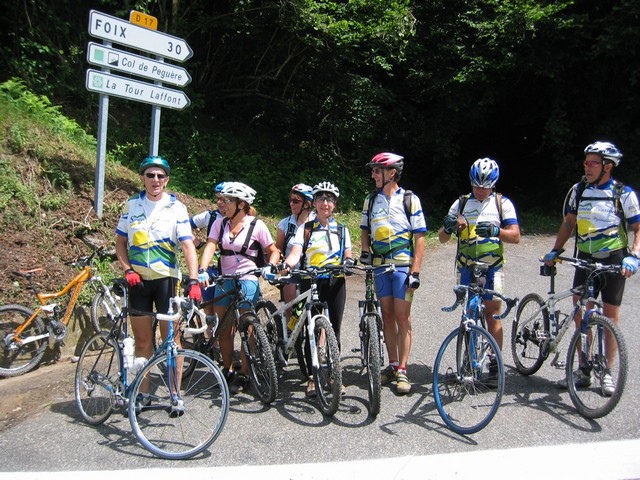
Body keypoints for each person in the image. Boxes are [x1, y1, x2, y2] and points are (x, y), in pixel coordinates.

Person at [543, 141, 640, 394]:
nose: (587, 167)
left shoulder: (623, 193)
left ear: (608, 166)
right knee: (580, 313)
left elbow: (638, 227)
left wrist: (634, 255)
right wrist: (555, 250)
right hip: (585, 258)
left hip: (613, 259)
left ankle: (606, 371)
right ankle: (583, 369)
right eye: (586, 162)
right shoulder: (579, 190)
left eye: (593, 163)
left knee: (610, 316)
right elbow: (569, 222)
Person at [115, 155, 202, 412]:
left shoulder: (177, 207)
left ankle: (175, 395)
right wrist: (127, 269)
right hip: (139, 281)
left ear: (167, 180)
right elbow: (120, 242)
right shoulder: (131, 205)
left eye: (160, 176)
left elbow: (188, 245)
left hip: (167, 280)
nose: (155, 179)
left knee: (171, 341)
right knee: (143, 341)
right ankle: (143, 394)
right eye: (150, 175)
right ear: (142, 178)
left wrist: (194, 280)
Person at [438, 157, 521, 386]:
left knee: (492, 314)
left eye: (485, 186)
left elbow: (516, 236)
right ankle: (469, 361)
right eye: (476, 185)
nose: (480, 190)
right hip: (466, 266)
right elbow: (442, 238)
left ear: (493, 184)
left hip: (492, 267)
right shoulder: (461, 203)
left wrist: (497, 231)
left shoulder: (502, 203)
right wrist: (449, 227)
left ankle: (495, 365)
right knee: (468, 313)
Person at [197, 181, 280, 393]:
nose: (222, 204)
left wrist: (270, 266)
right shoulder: (220, 223)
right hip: (225, 279)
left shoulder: (257, 225)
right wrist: (202, 269)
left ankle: (244, 371)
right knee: (224, 328)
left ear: (241, 204)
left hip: (248, 278)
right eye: (221, 200)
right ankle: (228, 369)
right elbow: (210, 246)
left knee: (247, 327)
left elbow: (273, 251)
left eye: (227, 201)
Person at [360, 153, 426, 395]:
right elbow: (365, 230)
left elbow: (420, 237)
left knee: (402, 317)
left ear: (392, 173)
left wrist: (415, 271)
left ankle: (403, 370)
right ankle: (392, 364)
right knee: (386, 316)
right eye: (373, 171)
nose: (373, 175)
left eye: (377, 171)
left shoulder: (410, 199)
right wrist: (365, 251)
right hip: (380, 266)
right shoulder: (371, 200)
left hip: (402, 266)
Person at [282, 181, 353, 397]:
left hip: (335, 282)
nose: (325, 203)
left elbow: (347, 254)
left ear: (335, 204)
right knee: (311, 328)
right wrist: (287, 265)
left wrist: (348, 262)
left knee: (335, 330)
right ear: (314, 203)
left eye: (329, 199)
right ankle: (313, 377)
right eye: (320, 198)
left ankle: (333, 375)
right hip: (311, 281)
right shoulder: (306, 229)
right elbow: (295, 253)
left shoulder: (342, 230)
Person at [189, 181, 227, 360]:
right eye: (217, 198)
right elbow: (184, 225)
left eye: (224, 199)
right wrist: (198, 244)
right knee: (209, 307)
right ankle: (214, 345)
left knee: (226, 309)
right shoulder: (210, 216)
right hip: (210, 268)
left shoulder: (239, 217)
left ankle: (224, 344)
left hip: (228, 268)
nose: (220, 202)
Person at [275, 184, 315, 321]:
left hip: (311, 271)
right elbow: (278, 248)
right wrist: (278, 262)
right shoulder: (285, 223)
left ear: (307, 204)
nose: (292, 204)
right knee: (292, 310)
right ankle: (290, 329)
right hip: (290, 271)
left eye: (296, 201)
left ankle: (318, 333)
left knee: (313, 309)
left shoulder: (316, 222)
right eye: (290, 200)